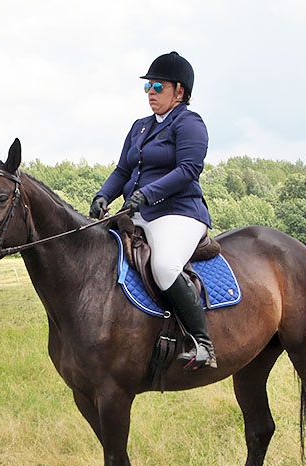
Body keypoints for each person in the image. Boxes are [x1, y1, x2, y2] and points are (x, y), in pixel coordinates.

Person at [89, 51, 216, 372]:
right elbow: (122, 170)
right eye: (148, 87)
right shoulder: (140, 127)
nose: (151, 93)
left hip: (179, 213)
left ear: (180, 91)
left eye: (158, 86)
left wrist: (146, 195)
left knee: (163, 265)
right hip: (138, 212)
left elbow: (188, 169)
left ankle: (202, 342)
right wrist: (103, 195)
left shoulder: (190, 124)